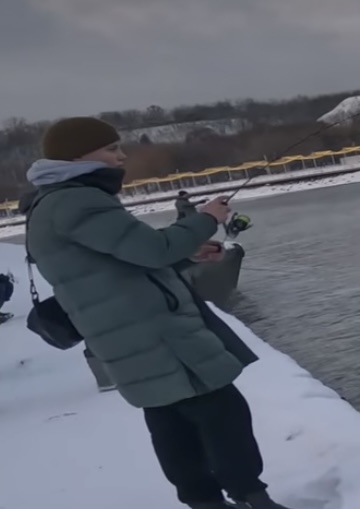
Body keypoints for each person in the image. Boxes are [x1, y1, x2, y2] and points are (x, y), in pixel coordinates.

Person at [21, 117, 291, 509]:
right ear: (78, 156)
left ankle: (205, 502)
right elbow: (152, 250)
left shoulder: (53, 202)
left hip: (125, 335)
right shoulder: (76, 200)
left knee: (171, 420)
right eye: (111, 148)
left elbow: (118, 264)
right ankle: (253, 497)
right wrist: (206, 219)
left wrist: (187, 254)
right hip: (155, 334)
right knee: (223, 411)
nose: (121, 156)